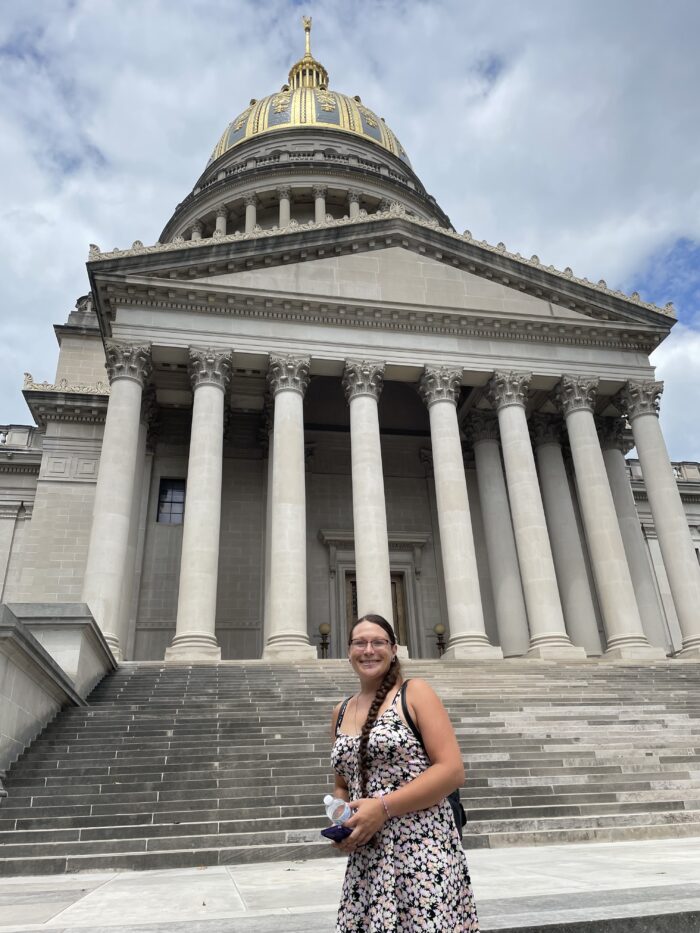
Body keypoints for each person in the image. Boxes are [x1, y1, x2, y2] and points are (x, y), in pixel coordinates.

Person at [329, 613, 479, 932]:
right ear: (349, 650)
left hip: (422, 846)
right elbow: (342, 783)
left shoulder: (415, 693)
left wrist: (383, 808)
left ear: (394, 649)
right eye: (360, 643)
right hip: (370, 853)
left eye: (378, 642)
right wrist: (344, 822)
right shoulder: (340, 712)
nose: (369, 650)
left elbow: (452, 771)